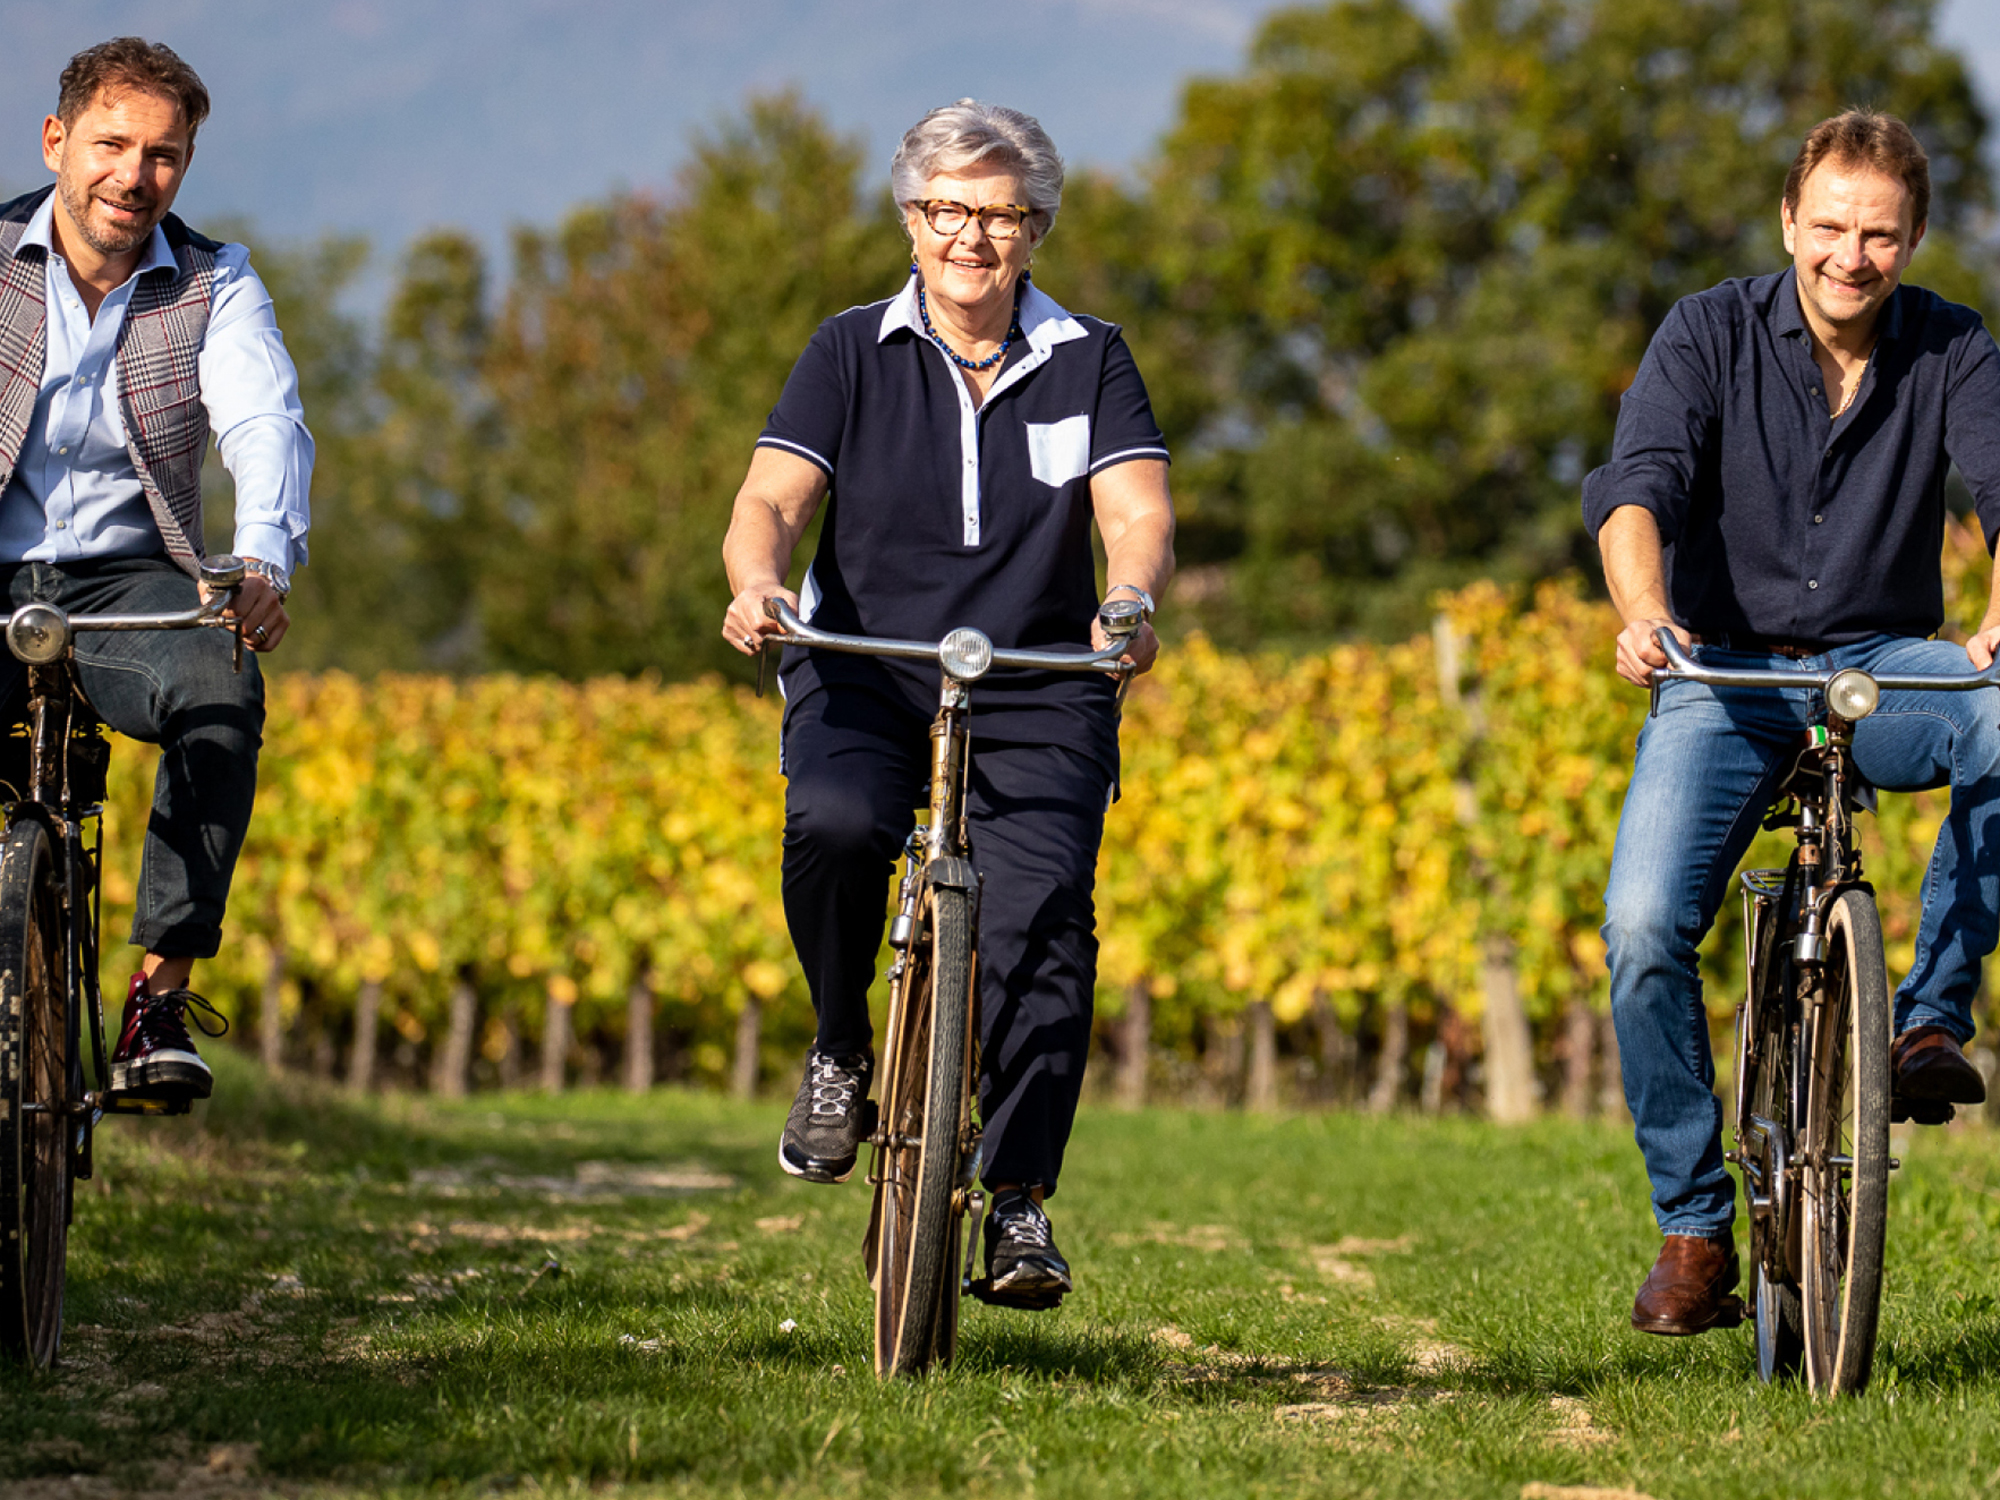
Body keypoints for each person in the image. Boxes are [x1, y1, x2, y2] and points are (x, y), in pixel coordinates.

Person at [720, 100, 1174, 1309]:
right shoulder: (846, 350)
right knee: (831, 821)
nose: (970, 239)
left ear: (1035, 232)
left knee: (1042, 922)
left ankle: (1017, 1199)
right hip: (862, 662)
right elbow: (769, 501)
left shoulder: (1089, 356)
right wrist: (757, 582)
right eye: (947, 213)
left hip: (1034, 678)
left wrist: (1126, 603)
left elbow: (1132, 512)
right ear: (910, 221)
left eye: (1000, 216)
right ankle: (836, 1047)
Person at [1583, 110, 2000, 1336]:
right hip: (1720, 674)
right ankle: (1693, 1227)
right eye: (1828, 227)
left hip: (1878, 670)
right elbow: (1636, 485)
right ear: (1786, 221)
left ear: (1911, 236)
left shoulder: (1951, 346)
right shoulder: (1706, 330)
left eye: (1876, 233)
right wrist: (1647, 617)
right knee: (1642, 926)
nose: (1849, 256)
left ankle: (1924, 1022)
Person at [0, 38, 310, 1100]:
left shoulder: (215, 280)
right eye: (111, 144)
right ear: (57, 143)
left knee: (221, 691)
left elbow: (263, 419)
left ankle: (157, 1000)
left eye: (163, 156)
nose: (133, 176)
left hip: (128, 581)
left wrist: (262, 553)